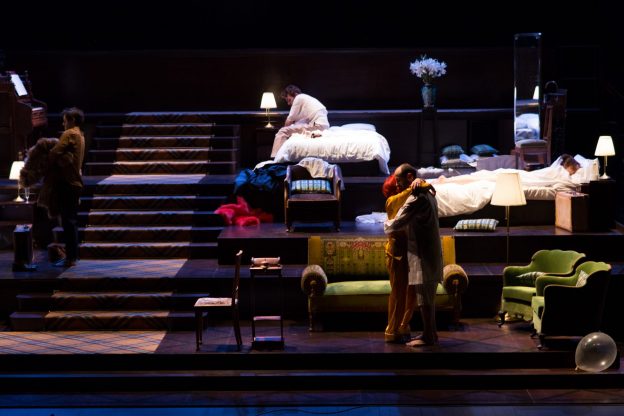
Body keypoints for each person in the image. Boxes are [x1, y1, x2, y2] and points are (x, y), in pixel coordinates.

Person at [384, 163, 443, 347]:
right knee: (427, 298)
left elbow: (395, 224)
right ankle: (430, 333)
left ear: (409, 177)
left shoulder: (417, 196)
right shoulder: (428, 192)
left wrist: (385, 224)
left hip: (422, 254)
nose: (397, 184)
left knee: (424, 299)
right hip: (431, 252)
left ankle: (428, 336)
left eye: (399, 180)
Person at [49, 107, 85, 267]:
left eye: (65, 121)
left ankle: (71, 258)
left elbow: (54, 152)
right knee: (71, 222)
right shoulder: (81, 135)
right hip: (75, 183)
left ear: (72, 120)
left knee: (68, 222)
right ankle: (72, 257)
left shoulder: (70, 133)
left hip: (68, 183)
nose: (63, 124)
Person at [383, 173, 414, 343]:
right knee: (398, 293)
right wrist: (418, 184)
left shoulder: (405, 202)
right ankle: (392, 330)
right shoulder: (392, 201)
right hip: (396, 253)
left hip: (407, 251)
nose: (398, 185)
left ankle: (403, 325)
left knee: (409, 292)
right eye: (396, 184)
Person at [270, 85, 329, 158]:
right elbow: (300, 122)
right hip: (321, 125)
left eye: (289, 100)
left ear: (295, 94)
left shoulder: (298, 98)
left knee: (283, 131)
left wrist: (286, 129)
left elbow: (289, 120)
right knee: (291, 129)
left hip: (317, 125)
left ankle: (275, 158)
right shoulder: (306, 100)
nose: (288, 103)